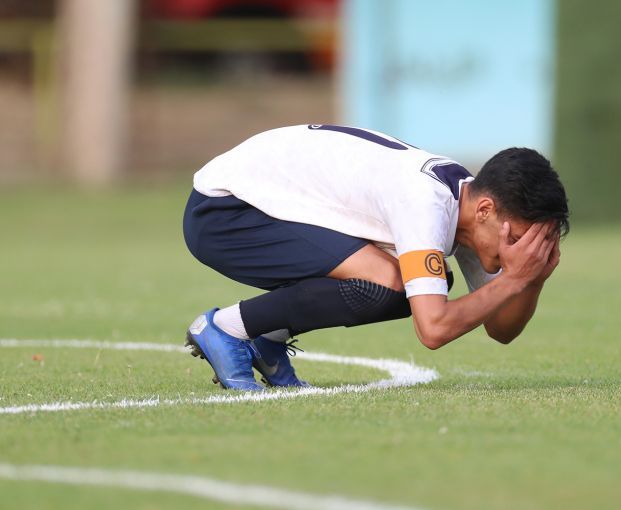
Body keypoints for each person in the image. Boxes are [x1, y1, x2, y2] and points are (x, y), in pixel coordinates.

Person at [182, 124, 569, 391]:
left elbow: (500, 329)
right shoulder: (426, 204)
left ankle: (267, 339)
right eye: (517, 239)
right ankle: (225, 327)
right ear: (485, 210)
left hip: (267, 204)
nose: (518, 252)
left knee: (428, 283)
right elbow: (433, 329)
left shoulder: (469, 209)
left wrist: (531, 279)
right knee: (394, 284)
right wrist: (514, 279)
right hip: (225, 211)